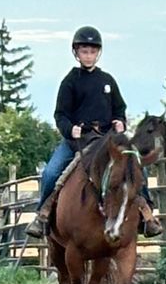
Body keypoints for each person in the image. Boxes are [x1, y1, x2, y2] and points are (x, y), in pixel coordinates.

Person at [33, 27, 153, 233]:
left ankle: (146, 213)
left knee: (136, 166)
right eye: (84, 51)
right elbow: (60, 114)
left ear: (98, 53)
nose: (88, 56)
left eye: (92, 52)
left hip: (107, 141)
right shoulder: (70, 82)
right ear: (76, 53)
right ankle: (42, 215)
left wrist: (119, 121)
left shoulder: (107, 80)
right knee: (51, 172)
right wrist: (70, 130)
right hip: (79, 140)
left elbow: (119, 107)